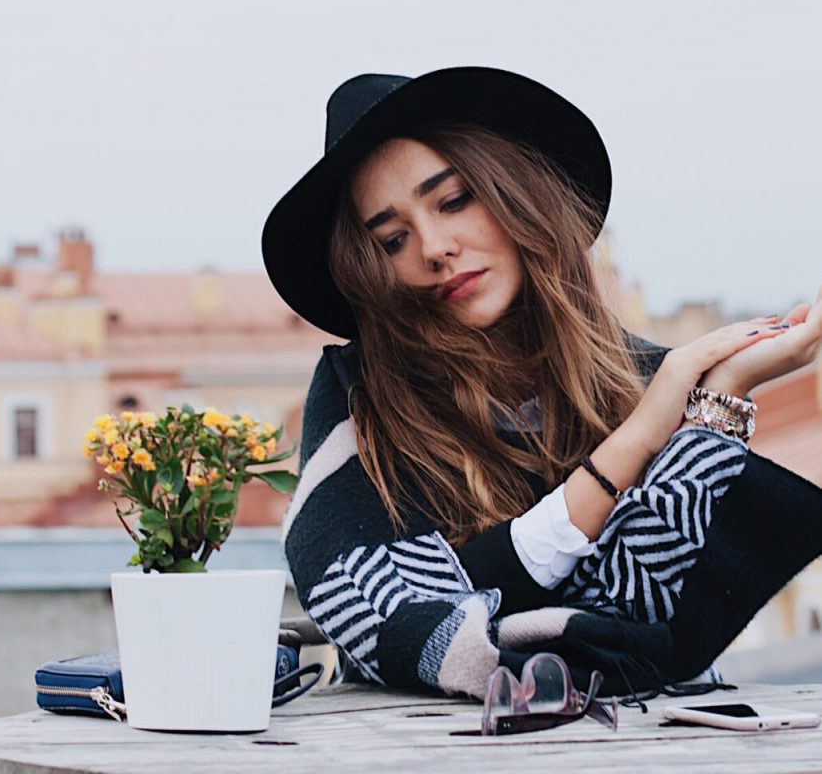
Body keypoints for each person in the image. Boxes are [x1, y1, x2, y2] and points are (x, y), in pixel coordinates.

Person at [262, 67, 822, 703]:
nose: (434, 247)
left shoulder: (646, 378)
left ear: (515, 195)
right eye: (392, 239)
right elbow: (397, 619)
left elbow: (642, 620)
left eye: (453, 201)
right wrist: (639, 439)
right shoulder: (359, 405)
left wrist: (716, 404)